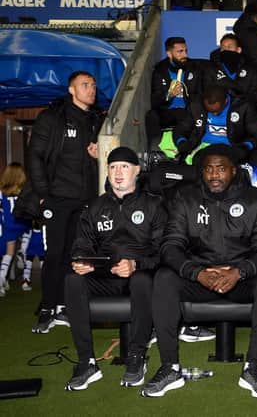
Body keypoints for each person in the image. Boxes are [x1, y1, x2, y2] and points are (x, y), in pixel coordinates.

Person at [142, 145, 257, 398]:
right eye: (208, 169)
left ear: (233, 171)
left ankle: (253, 367)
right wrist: (197, 272)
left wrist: (239, 271)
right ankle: (169, 367)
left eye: (221, 169)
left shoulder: (256, 199)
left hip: (241, 280)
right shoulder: (185, 198)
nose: (214, 175)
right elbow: (170, 245)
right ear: (201, 173)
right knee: (164, 277)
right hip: (200, 278)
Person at [63, 147, 166, 391]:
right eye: (112, 167)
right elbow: (81, 244)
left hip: (140, 274)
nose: (118, 173)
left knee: (142, 280)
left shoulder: (154, 205)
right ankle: (87, 361)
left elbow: (165, 251)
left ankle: (136, 356)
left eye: (124, 167)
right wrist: (83, 260)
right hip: (105, 274)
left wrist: (136, 264)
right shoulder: (95, 207)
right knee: (72, 280)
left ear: (137, 171)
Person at [23, 71, 104, 334]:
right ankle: (48, 308)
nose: (91, 89)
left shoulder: (96, 120)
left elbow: (104, 157)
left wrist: (98, 156)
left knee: (77, 255)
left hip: (86, 199)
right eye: (84, 85)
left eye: (93, 85)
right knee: (55, 254)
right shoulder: (52, 117)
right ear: (71, 89)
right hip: (57, 198)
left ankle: (66, 307)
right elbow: (34, 156)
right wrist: (44, 193)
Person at [207, 33, 257, 133]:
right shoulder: (212, 69)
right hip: (221, 108)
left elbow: (255, 93)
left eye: (229, 47)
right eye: (223, 48)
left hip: (244, 108)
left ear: (238, 50)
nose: (226, 50)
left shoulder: (250, 69)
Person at [146, 37, 201, 146]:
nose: (184, 55)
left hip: (188, 111)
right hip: (167, 112)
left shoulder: (194, 68)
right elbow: (154, 100)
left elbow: (200, 93)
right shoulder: (160, 71)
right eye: (180, 52)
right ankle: (155, 149)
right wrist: (169, 95)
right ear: (169, 53)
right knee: (151, 116)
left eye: (186, 51)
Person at [0, 163, 30, 296]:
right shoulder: (25, 191)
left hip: (8, 225)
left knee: (8, 254)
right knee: (30, 228)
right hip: (22, 223)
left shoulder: (1, 192)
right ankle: (23, 250)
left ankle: (1, 282)